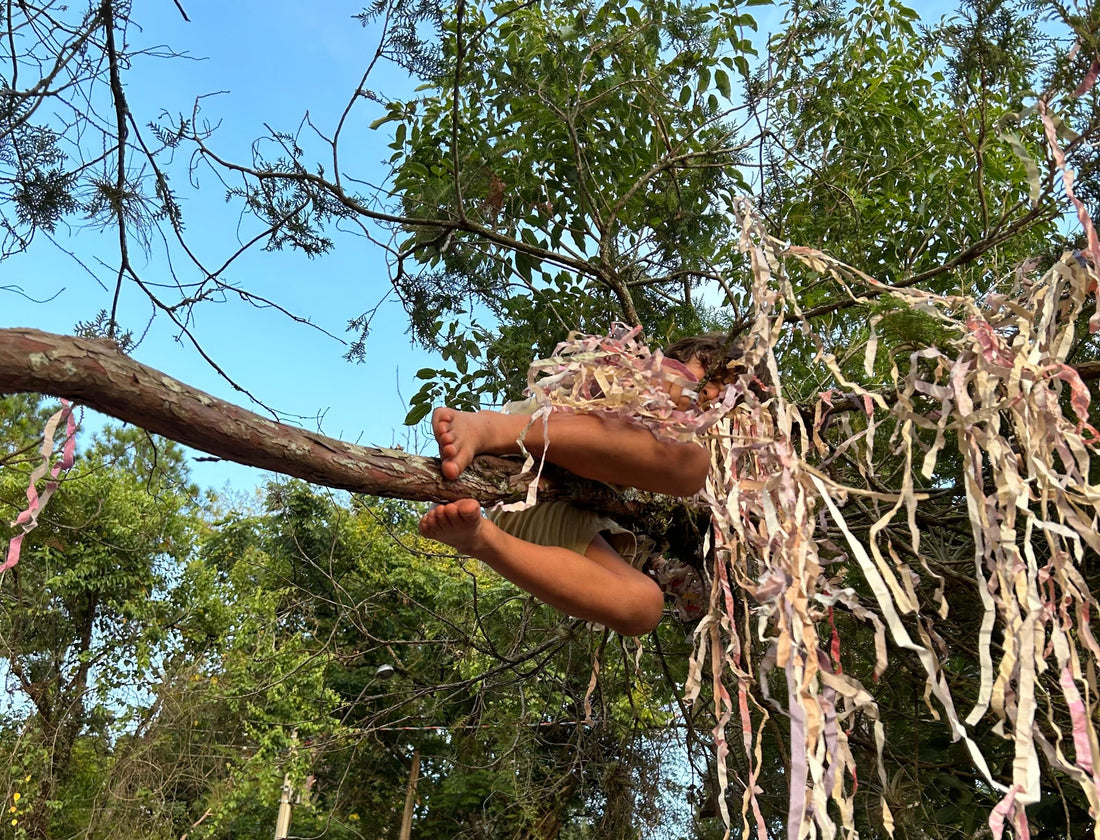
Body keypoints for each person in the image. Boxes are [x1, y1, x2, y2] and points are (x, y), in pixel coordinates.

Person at [417, 333, 743, 636]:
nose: (712, 394)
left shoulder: (688, 441)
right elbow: (621, 389)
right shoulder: (646, 374)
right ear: (682, 356)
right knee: (693, 465)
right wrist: (666, 381)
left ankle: (479, 539)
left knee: (643, 608)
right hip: (529, 454)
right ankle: (492, 430)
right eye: (712, 376)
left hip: (551, 509)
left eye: (728, 396)